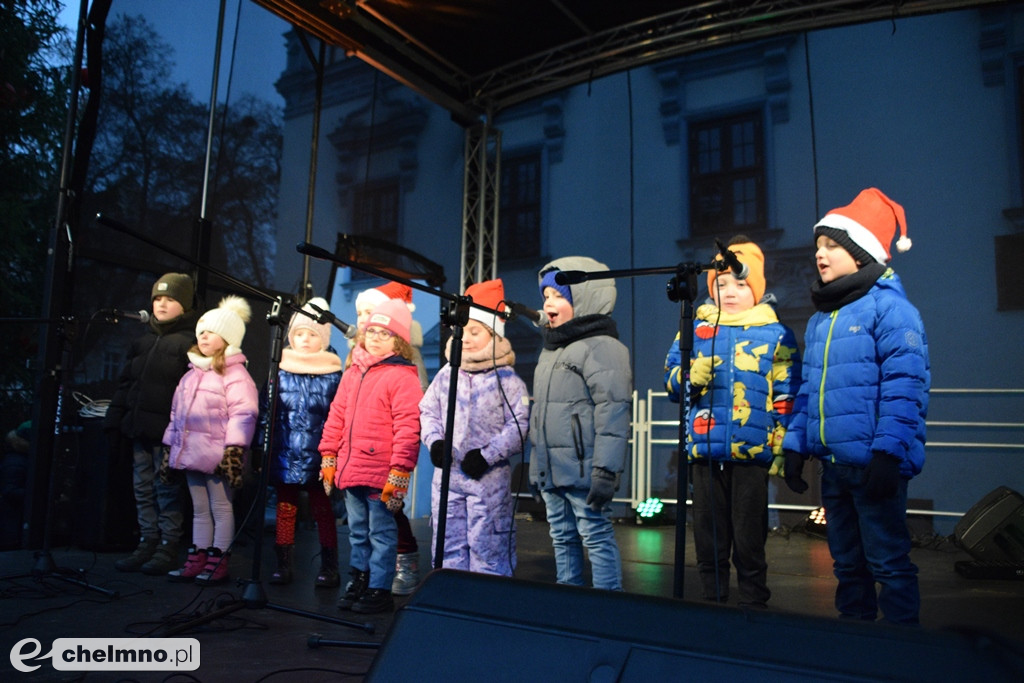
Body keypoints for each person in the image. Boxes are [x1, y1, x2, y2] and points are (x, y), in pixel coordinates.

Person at [782, 187, 930, 625]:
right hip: (834, 466)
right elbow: (811, 388)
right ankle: (856, 648)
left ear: (863, 253)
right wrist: (795, 445)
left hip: (873, 466)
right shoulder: (822, 317)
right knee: (846, 566)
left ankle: (902, 653)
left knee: (888, 564)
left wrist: (888, 453)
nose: (820, 255)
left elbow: (907, 387)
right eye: (817, 247)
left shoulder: (891, 310)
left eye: (832, 246)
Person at [663, 237, 801, 607]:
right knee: (709, 538)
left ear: (756, 288)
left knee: (750, 538)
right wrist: (690, 375)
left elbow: (788, 394)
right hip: (706, 451)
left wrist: (782, 447)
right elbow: (671, 381)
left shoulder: (775, 334)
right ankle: (714, 602)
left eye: (740, 284)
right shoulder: (696, 328)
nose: (731, 291)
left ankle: (753, 605)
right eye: (721, 284)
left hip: (751, 453)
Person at [529, 257, 632, 591]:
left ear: (584, 298)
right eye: (545, 296)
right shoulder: (550, 350)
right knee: (561, 536)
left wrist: (606, 471)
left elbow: (613, 413)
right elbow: (541, 415)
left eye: (559, 295)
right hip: (554, 469)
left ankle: (607, 606)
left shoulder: (604, 348)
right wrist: (537, 469)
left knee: (595, 535)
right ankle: (567, 602)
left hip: (584, 469)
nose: (548, 303)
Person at [420, 279, 530, 576]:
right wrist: (435, 442)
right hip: (448, 481)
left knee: (488, 545)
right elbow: (428, 410)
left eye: (475, 331)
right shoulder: (447, 375)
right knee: (448, 545)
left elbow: (519, 425)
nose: (465, 338)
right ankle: (447, 600)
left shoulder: (507, 380)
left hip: (487, 481)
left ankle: (486, 605)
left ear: (493, 333)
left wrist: (487, 455)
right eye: (463, 330)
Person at [319, 299, 423, 614]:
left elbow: (408, 427)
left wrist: (400, 472)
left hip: (381, 471)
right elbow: (336, 415)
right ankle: (359, 579)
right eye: (372, 331)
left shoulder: (403, 376)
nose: (376, 337)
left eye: (385, 333)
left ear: (400, 341)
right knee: (357, 529)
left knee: (381, 531)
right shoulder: (353, 372)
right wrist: (328, 455)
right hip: (351, 468)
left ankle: (380, 586)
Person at [163, 295, 259, 585]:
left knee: (221, 506)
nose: (203, 336)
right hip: (191, 453)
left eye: (211, 332)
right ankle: (198, 557)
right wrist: (171, 446)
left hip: (217, 457)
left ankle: (218, 559)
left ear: (228, 338)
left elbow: (245, 413)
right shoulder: (191, 375)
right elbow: (176, 414)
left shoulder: (236, 375)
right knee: (199, 508)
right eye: (201, 331)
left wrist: (234, 450)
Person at [105, 273, 197, 575]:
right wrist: (115, 420)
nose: (161, 304)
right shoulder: (142, 342)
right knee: (142, 487)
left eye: (170, 299)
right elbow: (126, 384)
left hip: (167, 435)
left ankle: (168, 545)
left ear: (184, 306)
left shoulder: (189, 344)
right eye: (158, 298)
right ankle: (147, 540)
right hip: (138, 429)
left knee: (166, 489)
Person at [258, 298, 343, 588]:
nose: (305, 340)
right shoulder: (279, 370)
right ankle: (283, 563)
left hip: (320, 457)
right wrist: (262, 449)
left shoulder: (334, 375)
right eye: (299, 334)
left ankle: (330, 565)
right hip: (285, 453)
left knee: (322, 509)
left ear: (324, 338)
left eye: (312, 334)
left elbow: (340, 417)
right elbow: (267, 412)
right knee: (285, 509)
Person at [353, 282, 427, 596]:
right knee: (364, 523)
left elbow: (412, 408)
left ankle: (405, 561)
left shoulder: (404, 362)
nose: (361, 319)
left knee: (389, 512)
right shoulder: (358, 357)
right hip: (360, 454)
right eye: (360, 314)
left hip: (387, 453)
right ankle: (364, 576)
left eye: (368, 313)